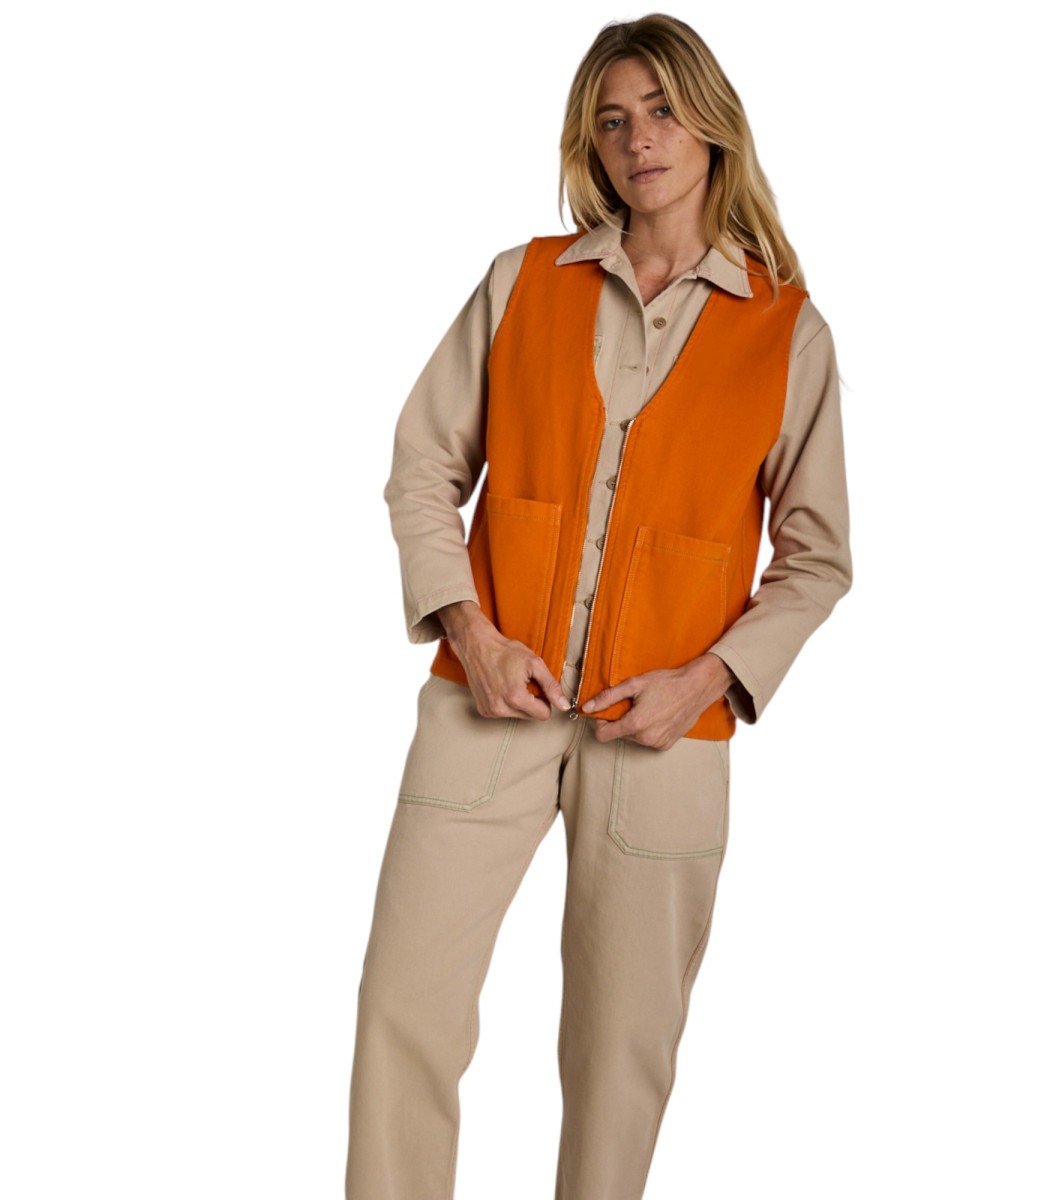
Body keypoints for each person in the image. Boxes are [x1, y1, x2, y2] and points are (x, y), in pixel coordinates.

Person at [346, 13, 852, 1198]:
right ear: (591, 143)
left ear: (713, 125)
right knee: (401, 1008)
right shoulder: (523, 281)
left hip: (665, 733)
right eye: (614, 120)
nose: (640, 140)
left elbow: (818, 556)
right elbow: (423, 466)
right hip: (486, 705)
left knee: (621, 1059)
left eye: (663, 111)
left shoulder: (786, 329)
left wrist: (707, 682)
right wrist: (469, 632)